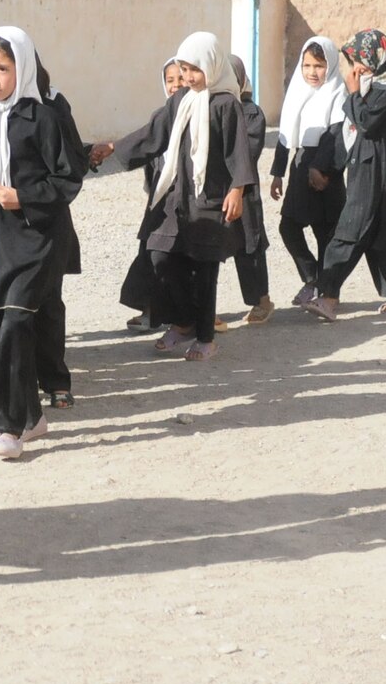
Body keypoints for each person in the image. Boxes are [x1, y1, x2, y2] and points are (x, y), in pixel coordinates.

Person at [0, 26, 82, 457]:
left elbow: (67, 179)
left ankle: (7, 424)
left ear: (24, 67)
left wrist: (25, 196)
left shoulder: (43, 117)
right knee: (1, 326)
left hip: (39, 235)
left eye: (2, 67)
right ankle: (33, 417)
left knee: (17, 322)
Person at [143, 32, 253, 361]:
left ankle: (205, 338)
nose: (188, 77)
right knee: (161, 255)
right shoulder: (181, 100)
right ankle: (184, 321)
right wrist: (112, 150)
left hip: (212, 199)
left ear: (212, 66)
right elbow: (153, 135)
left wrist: (237, 189)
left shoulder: (225, 104)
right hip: (179, 198)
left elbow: (239, 151)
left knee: (205, 271)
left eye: (195, 70)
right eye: (183, 69)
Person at [303, 30, 386, 322]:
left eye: (360, 60)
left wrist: (353, 93)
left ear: (374, 58)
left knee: (349, 230)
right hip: (369, 167)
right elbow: (348, 131)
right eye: (352, 62)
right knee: (380, 237)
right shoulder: (374, 87)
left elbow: (365, 122)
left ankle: (327, 297)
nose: (355, 68)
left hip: (374, 170)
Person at [108, 57, 186, 330]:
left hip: (186, 200)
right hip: (160, 201)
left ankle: (188, 317)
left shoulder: (198, 111)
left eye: (181, 78)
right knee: (151, 255)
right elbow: (148, 153)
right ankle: (152, 312)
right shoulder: (161, 115)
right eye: (170, 80)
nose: (176, 85)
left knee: (176, 259)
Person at [271, 36, 346, 306]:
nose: (312, 72)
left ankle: (326, 291)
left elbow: (336, 135)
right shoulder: (298, 90)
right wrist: (277, 173)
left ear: (331, 65)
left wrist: (320, 168)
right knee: (288, 226)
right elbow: (286, 132)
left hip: (327, 170)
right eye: (307, 65)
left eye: (319, 65)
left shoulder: (338, 92)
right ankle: (313, 277)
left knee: (325, 232)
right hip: (301, 165)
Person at [36, 58, 93, 407]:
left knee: (48, 304)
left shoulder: (51, 108)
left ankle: (56, 381)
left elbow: (72, 166)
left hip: (46, 221)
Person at [230, 57, 274, 324]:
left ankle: (261, 300)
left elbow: (248, 153)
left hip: (243, 190)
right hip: (214, 190)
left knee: (249, 244)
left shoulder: (250, 113)